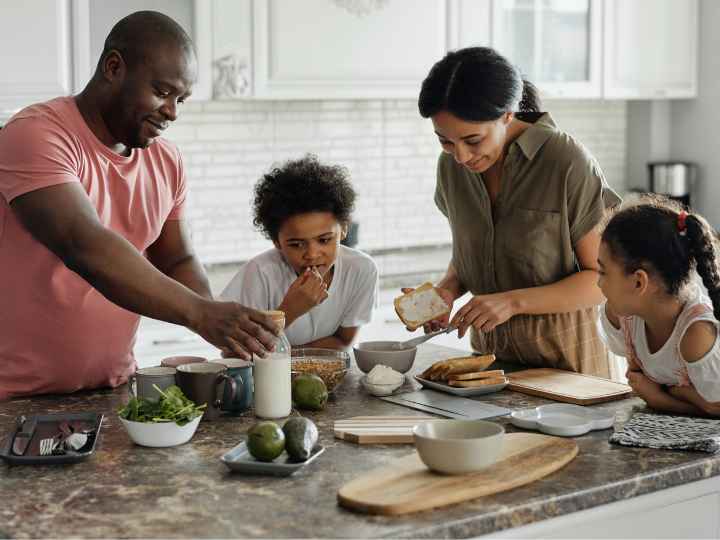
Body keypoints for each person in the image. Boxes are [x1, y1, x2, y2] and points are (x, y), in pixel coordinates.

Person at [0, 11, 277, 400]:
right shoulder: (36, 135)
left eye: (181, 99)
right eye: (163, 92)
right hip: (12, 400)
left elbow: (177, 258)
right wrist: (200, 314)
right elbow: (84, 244)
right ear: (114, 67)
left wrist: (218, 321)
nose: (173, 111)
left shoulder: (166, 161)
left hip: (113, 390)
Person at [414, 47, 621, 376]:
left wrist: (511, 302)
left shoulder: (565, 160)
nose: (462, 157)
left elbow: (603, 280)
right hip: (489, 368)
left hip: (570, 369)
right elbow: (473, 255)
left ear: (507, 115)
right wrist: (447, 290)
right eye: (446, 142)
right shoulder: (450, 168)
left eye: (473, 140)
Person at [221, 155, 378, 349]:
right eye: (296, 244)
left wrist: (290, 360)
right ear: (276, 241)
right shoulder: (260, 273)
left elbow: (343, 341)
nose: (312, 254)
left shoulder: (361, 269)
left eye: (324, 240)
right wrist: (289, 310)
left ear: (344, 228)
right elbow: (235, 353)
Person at [598, 197, 720, 416]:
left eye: (603, 272)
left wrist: (660, 399)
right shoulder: (623, 316)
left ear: (638, 282)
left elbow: (715, 410)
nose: (598, 283)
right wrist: (686, 394)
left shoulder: (696, 335)